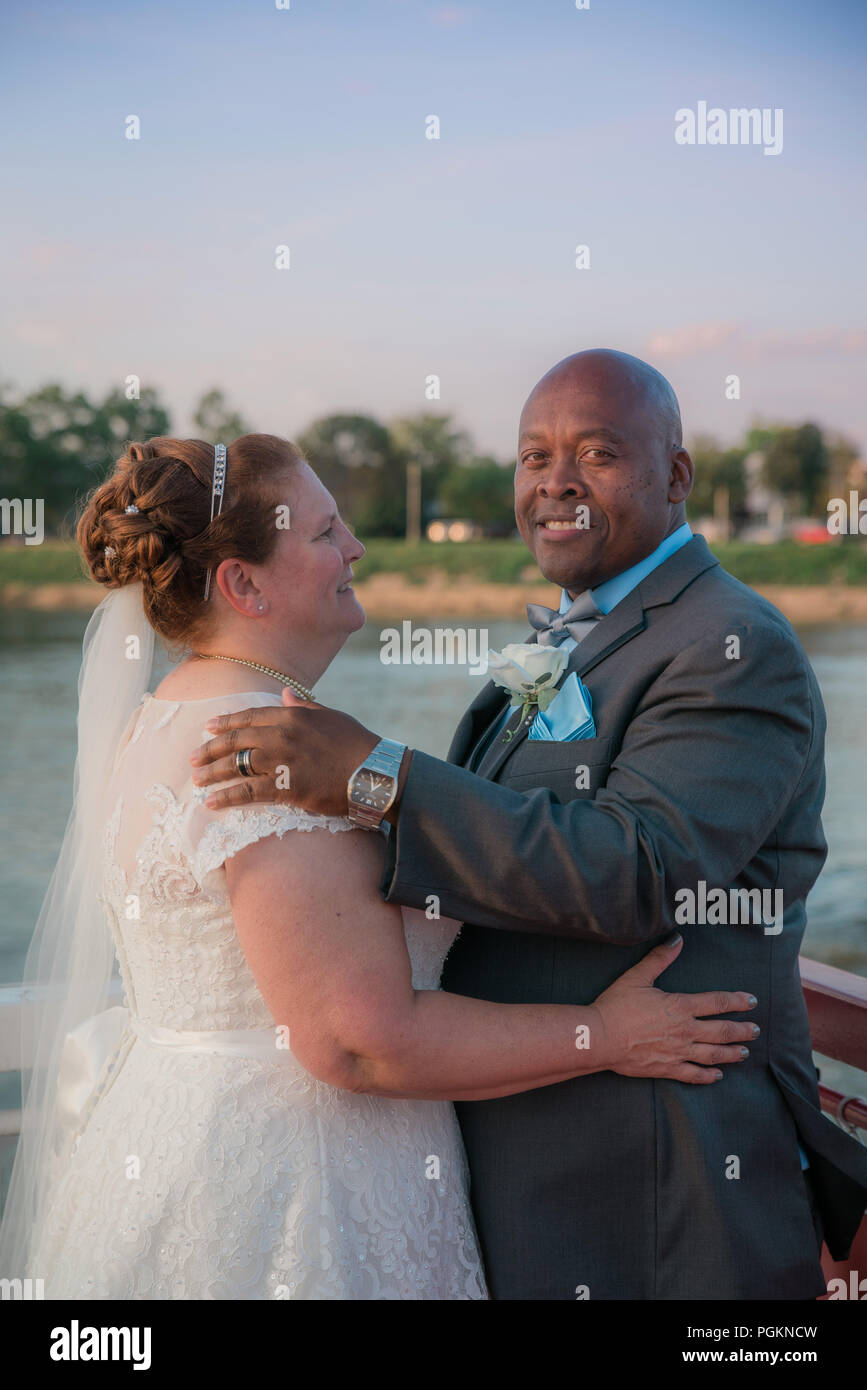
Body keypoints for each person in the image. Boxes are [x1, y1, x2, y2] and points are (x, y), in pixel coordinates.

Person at [0, 430, 758, 1301]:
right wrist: (609, 1037)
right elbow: (360, 1041)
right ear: (242, 584)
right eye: (323, 534)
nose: (354, 547)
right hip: (299, 1194)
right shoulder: (269, 754)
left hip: (176, 1140)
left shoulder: (161, 719)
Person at [192, 352, 867, 1300]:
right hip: (531, 1145)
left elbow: (645, 866)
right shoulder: (567, 635)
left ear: (674, 477)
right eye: (532, 455)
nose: (554, 481)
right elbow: (501, 836)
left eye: (595, 452)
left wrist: (376, 774)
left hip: (659, 1169)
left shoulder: (732, 644)